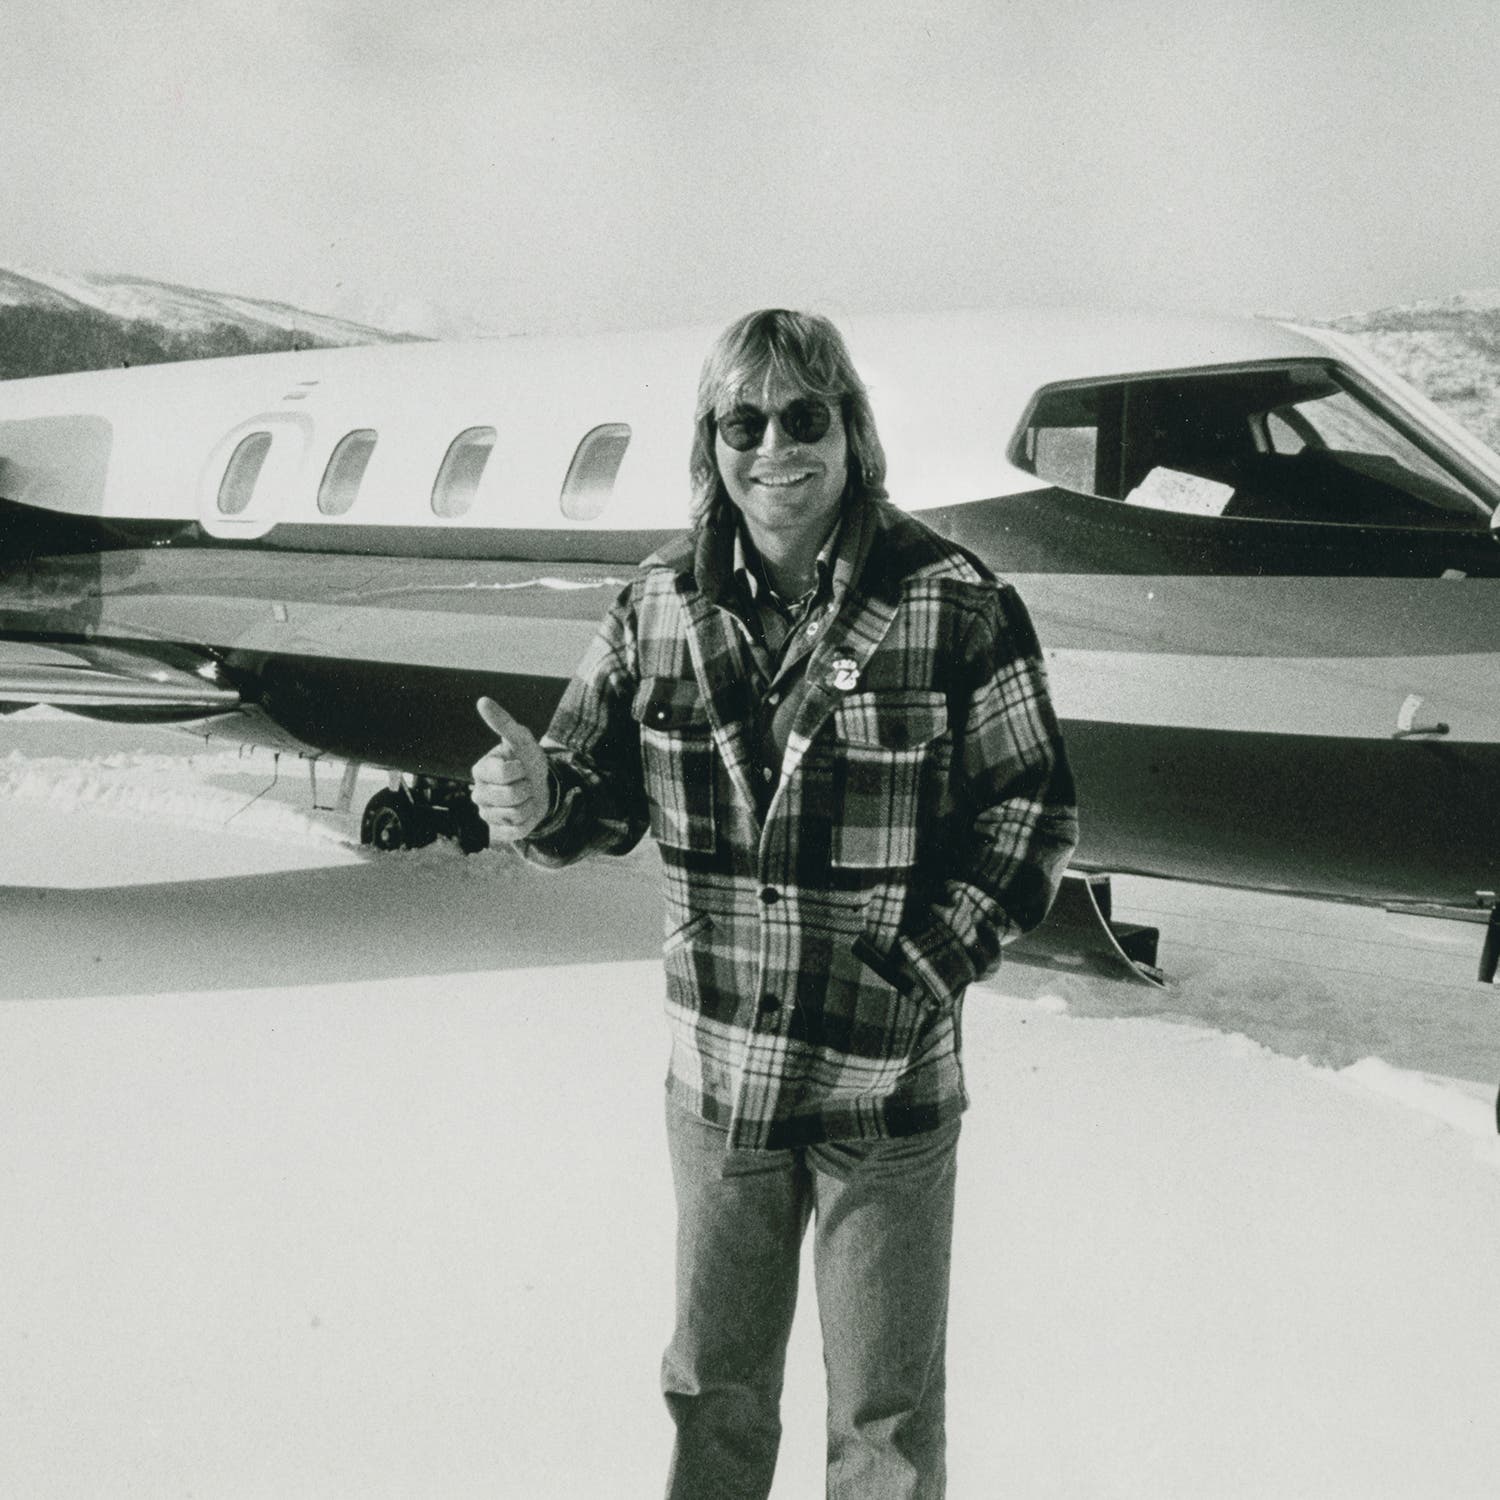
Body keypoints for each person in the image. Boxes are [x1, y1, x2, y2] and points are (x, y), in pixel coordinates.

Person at [471, 308, 1078, 1499]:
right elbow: (591, 793)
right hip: (722, 1083)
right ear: (710, 443)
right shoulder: (655, 604)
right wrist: (537, 799)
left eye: (804, 417)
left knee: (886, 1431)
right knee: (716, 1400)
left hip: (885, 1092)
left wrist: (912, 977)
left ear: (851, 430)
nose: (774, 447)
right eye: (742, 423)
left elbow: (1032, 814)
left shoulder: (953, 602)